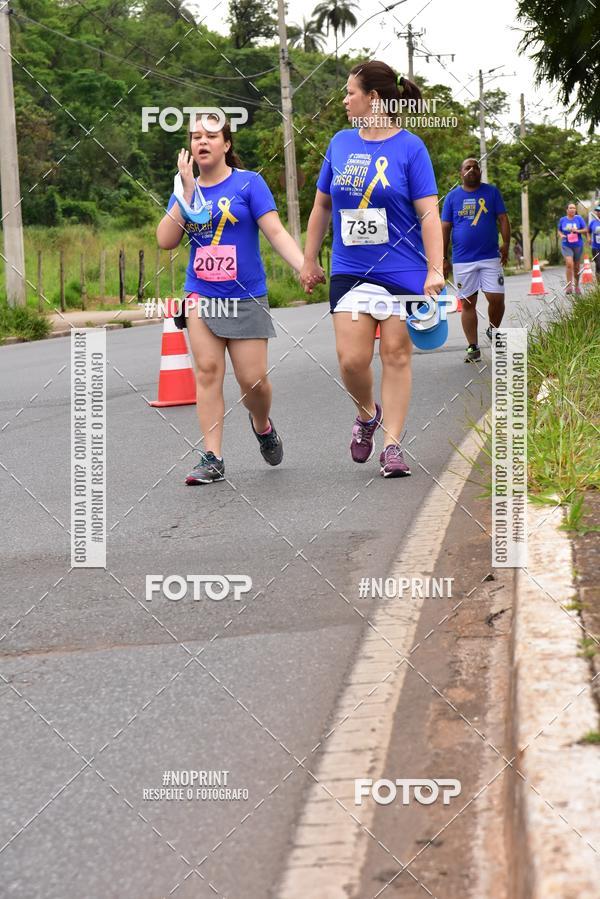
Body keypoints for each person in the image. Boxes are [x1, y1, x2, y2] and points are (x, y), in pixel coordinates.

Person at [300, 60, 444, 478]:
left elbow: (430, 215)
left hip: (403, 270)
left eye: (350, 92)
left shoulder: (410, 148)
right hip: (351, 268)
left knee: (396, 356)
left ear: (374, 98)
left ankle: (393, 445)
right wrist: (309, 259)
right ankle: (367, 414)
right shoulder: (340, 144)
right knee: (352, 360)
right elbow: (322, 205)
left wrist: (435, 270)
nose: (344, 100)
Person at [156, 115, 308, 485]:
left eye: (211, 136)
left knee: (253, 381)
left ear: (226, 144)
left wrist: (304, 266)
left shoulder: (250, 184)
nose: (202, 142)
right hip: (201, 295)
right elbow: (165, 239)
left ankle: (262, 424)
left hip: (246, 296)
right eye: (195, 137)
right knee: (208, 373)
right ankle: (213, 456)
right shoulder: (186, 189)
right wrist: (185, 193)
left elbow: (275, 232)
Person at [441, 158, 511, 363]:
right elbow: (445, 228)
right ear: (460, 173)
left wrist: (506, 243)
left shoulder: (491, 192)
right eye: (467, 167)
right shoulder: (452, 198)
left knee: (496, 298)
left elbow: (503, 219)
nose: (472, 169)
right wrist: (443, 258)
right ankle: (473, 346)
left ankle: (493, 330)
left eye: (475, 167)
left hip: (490, 257)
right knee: (468, 303)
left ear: (480, 171)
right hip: (463, 260)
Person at [557, 202, 587, 294]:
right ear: (567, 210)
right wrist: (561, 235)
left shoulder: (579, 218)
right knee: (569, 264)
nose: (573, 209)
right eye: (570, 208)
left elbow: (585, 229)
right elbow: (559, 230)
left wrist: (577, 231)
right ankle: (569, 286)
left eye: (574, 208)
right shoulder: (563, 220)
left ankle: (577, 286)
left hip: (578, 245)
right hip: (566, 244)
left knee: (577, 267)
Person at [588, 204, 600, 278]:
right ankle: (598, 286)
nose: (599, 212)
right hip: (595, 247)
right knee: (598, 265)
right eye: (597, 211)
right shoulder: (593, 222)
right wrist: (589, 238)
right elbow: (588, 231)